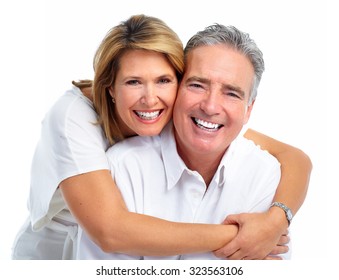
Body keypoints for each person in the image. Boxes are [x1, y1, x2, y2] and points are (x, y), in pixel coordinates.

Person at [11, 14, 311, 260]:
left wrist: (275, 221)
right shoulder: (72, 119)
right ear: (110, 88)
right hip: (50, 257)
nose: (150, 98)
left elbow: (295, 158)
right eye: (133, 82)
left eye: (164, 80)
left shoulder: (185, 112)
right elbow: (110, 232)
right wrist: (244, 236)